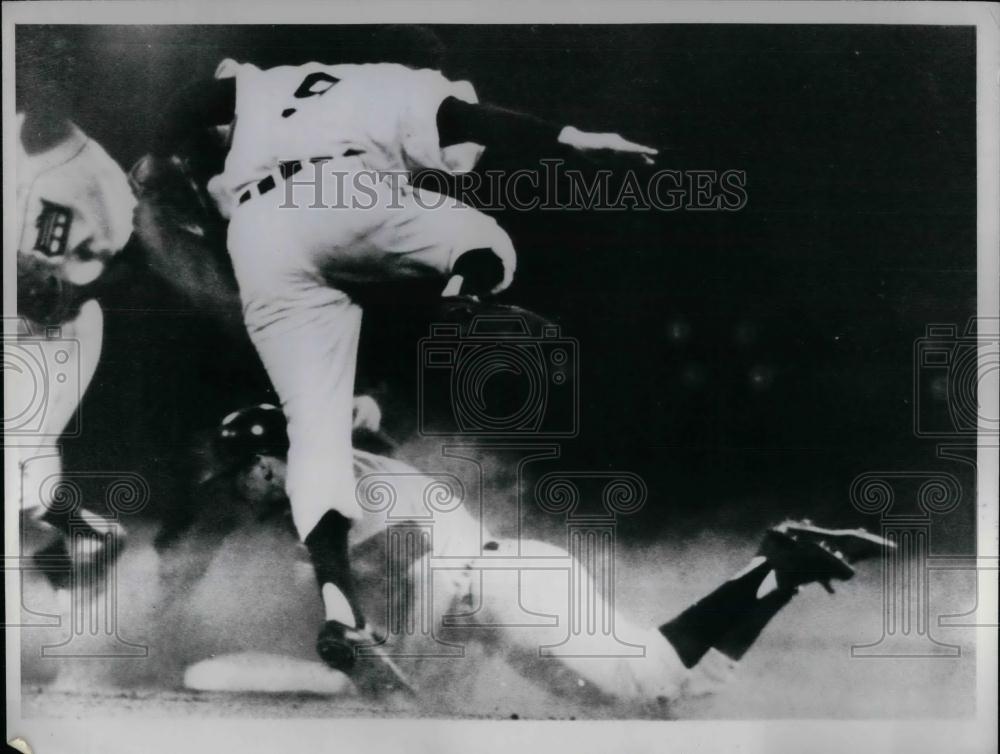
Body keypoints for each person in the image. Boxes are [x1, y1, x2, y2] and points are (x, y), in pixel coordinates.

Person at [149, 49, 658, 678]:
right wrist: (571, 139)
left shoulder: (263, 85)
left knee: (313, 434)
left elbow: (196, 101)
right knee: (484, 239)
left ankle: (340, 612)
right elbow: (478, 120)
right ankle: (464, 293)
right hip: (350, 193)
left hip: (260, 231)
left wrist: (159, 154)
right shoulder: (403, 85)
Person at [165, 401, 893, 709]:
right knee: (668, 699)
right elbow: (389, 540)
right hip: (506, 585)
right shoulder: (347, 466)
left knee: (654, 686)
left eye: (240, 474)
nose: (237, 492)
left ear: (266, 461)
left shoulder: (313, 483)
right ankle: (783, 571)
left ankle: (780, 559)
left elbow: (377, 558)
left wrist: (375, 639)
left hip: (504, 589)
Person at [12, 37, 136, 588]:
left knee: (16, 458)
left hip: (58, 331)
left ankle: (76, 543)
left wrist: (70, 292)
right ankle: (83, 535)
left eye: (58, 75)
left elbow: (135, 262)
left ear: (74, 88)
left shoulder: (97, 173)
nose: (43, 84)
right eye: (35, 70)